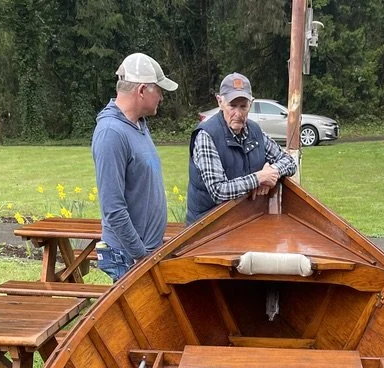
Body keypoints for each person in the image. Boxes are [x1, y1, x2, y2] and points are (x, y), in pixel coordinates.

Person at [91, 53, 178, 282]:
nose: (161, 97)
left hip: (146, 252)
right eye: (158, 90)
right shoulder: (111, 133)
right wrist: (140, 256)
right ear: (141, 91)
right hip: (129, 258)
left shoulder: (139, 125)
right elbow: (113, 208)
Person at [187, 73, 297, 224]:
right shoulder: (206, 135)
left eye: (243, 106)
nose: (238, 114)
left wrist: (272, 173)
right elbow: (218, 191)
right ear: (220, 102)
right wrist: (259, 178)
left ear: (250, 104)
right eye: (232, 106)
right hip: (208, 227)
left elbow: (289, 162)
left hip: (246, 220)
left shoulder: (255, 131)